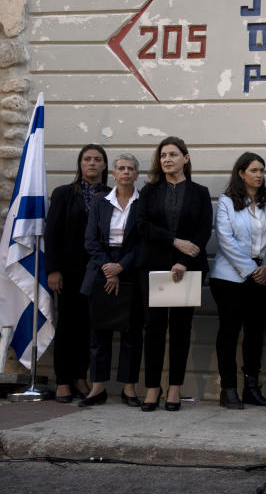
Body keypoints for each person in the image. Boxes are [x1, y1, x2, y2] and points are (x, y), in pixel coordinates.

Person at [136, 137, 212, 412]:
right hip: (154, 267)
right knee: (153, 329)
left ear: (186, 158)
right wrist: (174, 241)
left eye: (173, 154)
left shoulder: (200, 192)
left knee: (180, 330)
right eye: (163, 155)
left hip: (187, 269)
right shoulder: (149, 191)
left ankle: (175, 388)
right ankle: (152, 387)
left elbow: (203, 231)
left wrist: (182, 260)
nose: (167, 159)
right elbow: (142, 225)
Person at [209, 152, 266, 409]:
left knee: (256, 333)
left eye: (262, 170)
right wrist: (251, 269)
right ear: (241, 173)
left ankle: (252, 387)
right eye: (253, 170)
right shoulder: (227, 202)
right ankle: (228, 389)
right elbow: (225, 239)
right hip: (230, 278)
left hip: (264, 278)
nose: (259, 175)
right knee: (229, 332)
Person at [78, 153, 143, 407]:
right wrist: (108, 267)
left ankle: (129, 388)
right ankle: (97, 388)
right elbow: (90, 240)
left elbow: (143, 241)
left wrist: (121, 267)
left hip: (131, 267)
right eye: (121, 168)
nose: (126, 172)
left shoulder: (143, 202)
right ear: (113, 174)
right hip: (101, 267)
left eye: (130, 168)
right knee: (99, 332)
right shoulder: (99, 202)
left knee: (132, 333)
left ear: (137, 174)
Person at [45, 144, 108, 403]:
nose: (92, 163)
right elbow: (52, 233)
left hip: (98, 272)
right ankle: (62, 380)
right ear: (80, 164)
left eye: (97, 159)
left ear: (105, 165)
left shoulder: (112, 195)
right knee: (67, 326)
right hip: (69, 271)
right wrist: (53, 270)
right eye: (87, 159)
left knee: (89, 327)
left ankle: (80, 376)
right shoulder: (63, 194)